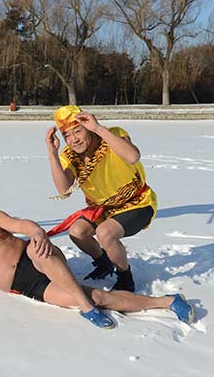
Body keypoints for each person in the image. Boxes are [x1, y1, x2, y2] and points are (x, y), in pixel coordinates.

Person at [0, 185, 194, 329]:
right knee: (97, 297)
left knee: (36, 250)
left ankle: (87, 310)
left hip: (36, 257)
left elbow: (25, 226)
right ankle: (169, 302)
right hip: (27, 286)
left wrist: (39, 234)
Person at [44, 105, 157, 292]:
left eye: (78, 131)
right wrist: (52, 154)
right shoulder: (70, 156)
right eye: (67, 136)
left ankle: (125, 278)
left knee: (105, 233)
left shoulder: (112, 135)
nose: (74, 140)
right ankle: (104, 262)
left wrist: (98, 129)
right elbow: (64, 189)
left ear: (88, 125)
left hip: (138, 202)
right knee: (77, 232)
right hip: (104, 209)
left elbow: (133, 156)